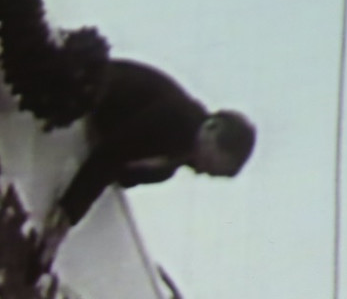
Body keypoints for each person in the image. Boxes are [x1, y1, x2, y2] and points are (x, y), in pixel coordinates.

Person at [31, 59, 256, 279]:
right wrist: (65, 219)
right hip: (78, 93)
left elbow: (117, 174)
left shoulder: (166, 168)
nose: (203, 171)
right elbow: (109, 157)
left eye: (211, 173)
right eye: (210, 162)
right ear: (212, 128)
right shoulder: (179, 120)